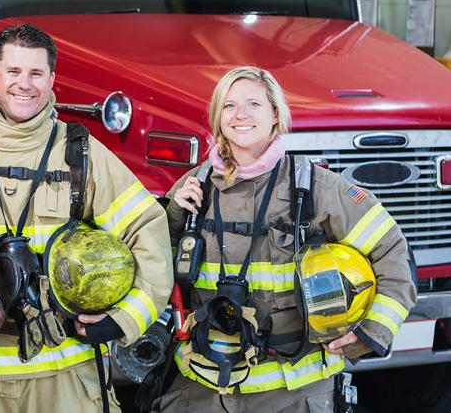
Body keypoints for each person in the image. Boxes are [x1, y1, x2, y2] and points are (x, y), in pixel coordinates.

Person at [0, 23, 173, 412]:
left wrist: (124, 319)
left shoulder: (81, 155)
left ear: (52, 78)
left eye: (36, 73)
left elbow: (148, 230)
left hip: (64, 383)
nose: (24, 84)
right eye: (14, 72)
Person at [155, 66, 417, 412]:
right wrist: (173, 217)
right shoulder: (193, 188)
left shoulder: (315, 188)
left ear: (276, 115)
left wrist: (371, 332)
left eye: (253, 104)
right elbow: (151, 265)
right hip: (203, 390)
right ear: (217, 117)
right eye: (229, 106)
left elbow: (394, 254)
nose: (240, 115)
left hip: (294, 393)